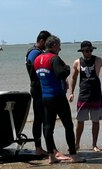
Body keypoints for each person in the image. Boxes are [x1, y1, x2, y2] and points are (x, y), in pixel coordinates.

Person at [34, 35, 85, 164]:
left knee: (48, 127)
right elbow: (60, 73)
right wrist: (67, 68)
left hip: (45, 97)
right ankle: (73, 155)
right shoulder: (54, 58)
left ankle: (51, 156)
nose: (60, 49)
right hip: (57, 97)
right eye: (59, 46)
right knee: (68, 125)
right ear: (54, 45)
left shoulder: (37, 59)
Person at [25, 30, 69, 160]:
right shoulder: (35, 53)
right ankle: (49, 150)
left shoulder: (33, 51)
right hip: (39, 89)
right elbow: (35, 69)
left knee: (41, 119)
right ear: (42, 41)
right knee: (43, 120)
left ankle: (42, 148)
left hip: (38, 89)